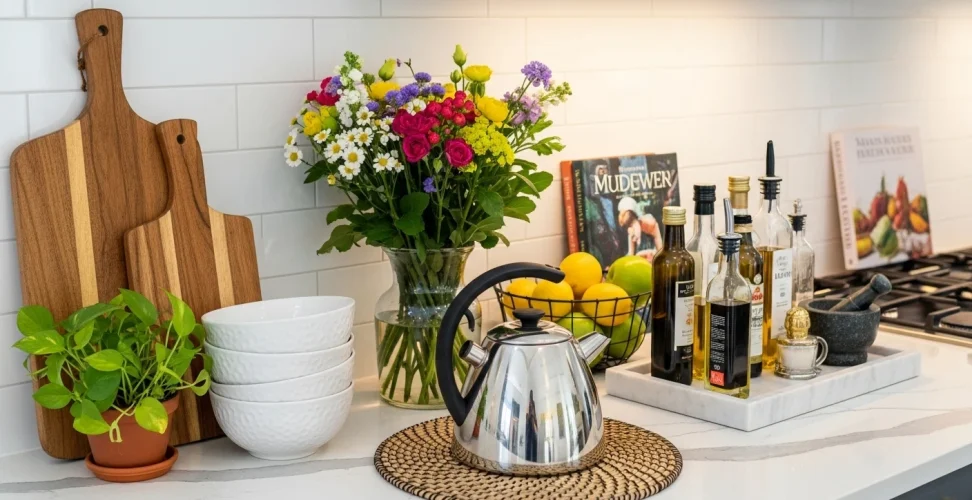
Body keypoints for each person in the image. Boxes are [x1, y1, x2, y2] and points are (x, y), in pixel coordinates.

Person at [617, 197, 663, 261]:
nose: (630, 229)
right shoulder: (631, 231)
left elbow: (660, 252)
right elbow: (631, 254)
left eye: (631, 223)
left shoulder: (649, 223)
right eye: (628, 226)